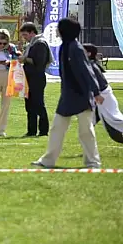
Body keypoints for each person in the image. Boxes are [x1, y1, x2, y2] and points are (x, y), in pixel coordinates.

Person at [32, 18, 101, 168]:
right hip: (68, 96)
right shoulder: (65, 46)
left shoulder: (76, 48)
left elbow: (87, 72)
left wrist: (96, 92)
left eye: (59, 28)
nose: (56, 30)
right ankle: (48, 161)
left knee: (86, 131)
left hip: (82, 96)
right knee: (57, 128)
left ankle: (93, 162)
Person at [19, 22, 53, 137]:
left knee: (38, 104)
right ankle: (31, 130)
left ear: (32, 32)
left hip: (37, 78)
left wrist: (25, 59)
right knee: (29, 105)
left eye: (25, 35)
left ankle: (43, 130)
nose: (24, 38)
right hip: (29, 77)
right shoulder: (32, 44)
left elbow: (39, 63)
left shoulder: (40, 44)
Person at [84, 44, 123, 143]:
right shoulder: (89, 64)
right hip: (98, 97)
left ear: (89, 53)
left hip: (103, 97)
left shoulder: (91, 66)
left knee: (115, 121)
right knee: (89, 122)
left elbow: (95, 84)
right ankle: (89, 148)